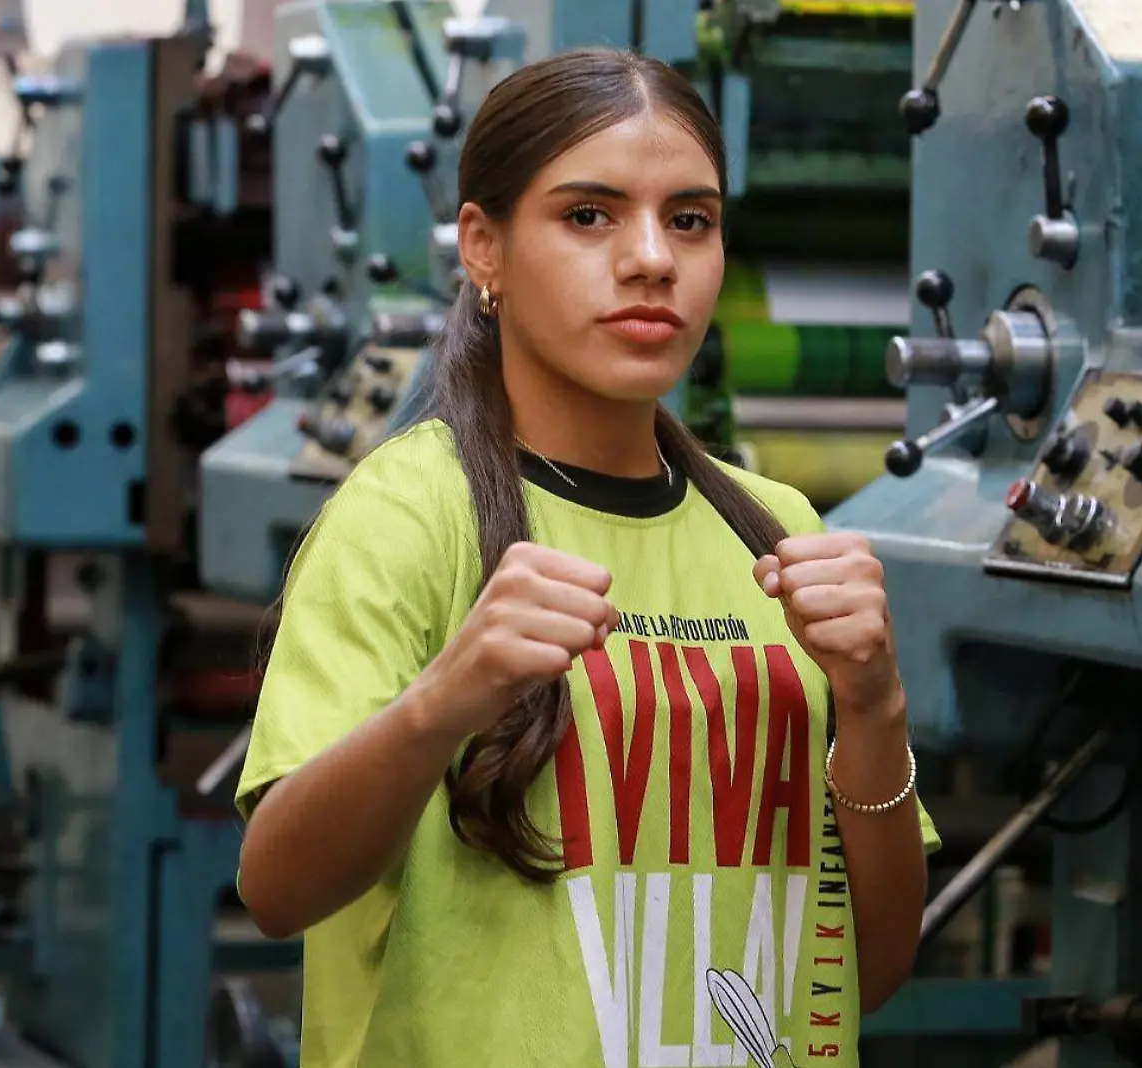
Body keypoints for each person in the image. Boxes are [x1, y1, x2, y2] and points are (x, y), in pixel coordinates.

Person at [233, 46, 940, 1068]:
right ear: (484, 248)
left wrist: (874, 709)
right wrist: (445, 700)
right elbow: (277, 889)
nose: (651, 258)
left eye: (688, 220)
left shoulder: (780, 534)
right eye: (588, 216)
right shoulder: (407, 516)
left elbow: (865, 971)